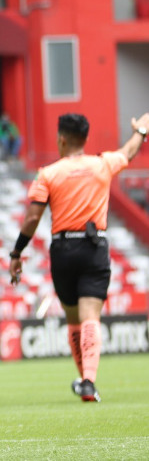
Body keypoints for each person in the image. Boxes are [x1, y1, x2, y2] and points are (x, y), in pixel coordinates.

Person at [10, 112, 149, 403]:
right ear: (85, 139)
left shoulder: (47, 173)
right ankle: (88, 380)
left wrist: (17, 252)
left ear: (61, 139)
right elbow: (129, 152)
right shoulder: (102, 164)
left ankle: (85, 381)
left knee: (74, 320)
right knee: (91, 318)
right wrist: (142, 130)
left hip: (63, 250)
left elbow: (32, 218)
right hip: (94, 247)